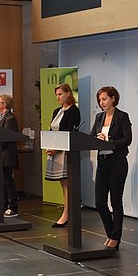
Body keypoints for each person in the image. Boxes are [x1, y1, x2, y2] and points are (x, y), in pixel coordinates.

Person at [90, 86, 132, 250]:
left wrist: (109, 141)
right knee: (100, 202)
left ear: (113, 98)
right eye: (100, 100)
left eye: (105, 99)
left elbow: (127, 139)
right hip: (103, 161)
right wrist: (96, 138)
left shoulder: (122, 116)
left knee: (116, 201)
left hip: (117, 162)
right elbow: (91, 136)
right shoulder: (99, 117)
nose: (102, 103)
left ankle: (116, 237)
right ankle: (111, 233)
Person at [45, 83, 81, 227]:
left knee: (68, 184)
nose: (58, 97)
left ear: (68, 94)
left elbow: (69, 134)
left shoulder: (74, 111)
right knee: (63, 184)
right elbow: (51, 130)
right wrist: (49, 146)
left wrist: (57, 149)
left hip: (65, 152)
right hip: (55, 151)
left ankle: (67, 214)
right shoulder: (56, 111)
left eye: (60, 94)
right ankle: (67, 213)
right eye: (56, 95)